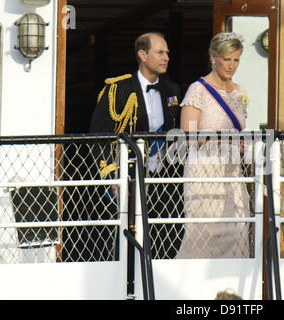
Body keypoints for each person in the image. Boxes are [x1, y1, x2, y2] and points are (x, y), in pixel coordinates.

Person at [89, 32, 184, 261]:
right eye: (160, 52)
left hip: (162, 180)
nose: (166, 58)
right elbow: (98, 136)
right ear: (142, 54)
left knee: (162, 237)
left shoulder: (172, 90)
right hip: (126, 178)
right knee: (122, 239)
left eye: (167, 53)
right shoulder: (118, 90)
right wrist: (112, 176)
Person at [176, 32, 251, 259]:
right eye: (226, 59)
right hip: (203, 171)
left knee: (238, 231)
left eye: (236, 60)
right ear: (213, 57)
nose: (231, 66)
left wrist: (244, 147)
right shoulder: (197, 90)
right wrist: (223, 140)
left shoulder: (240, 92)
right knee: (202, 235)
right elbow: (189, 136)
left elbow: (240, 131)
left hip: (232, 172)